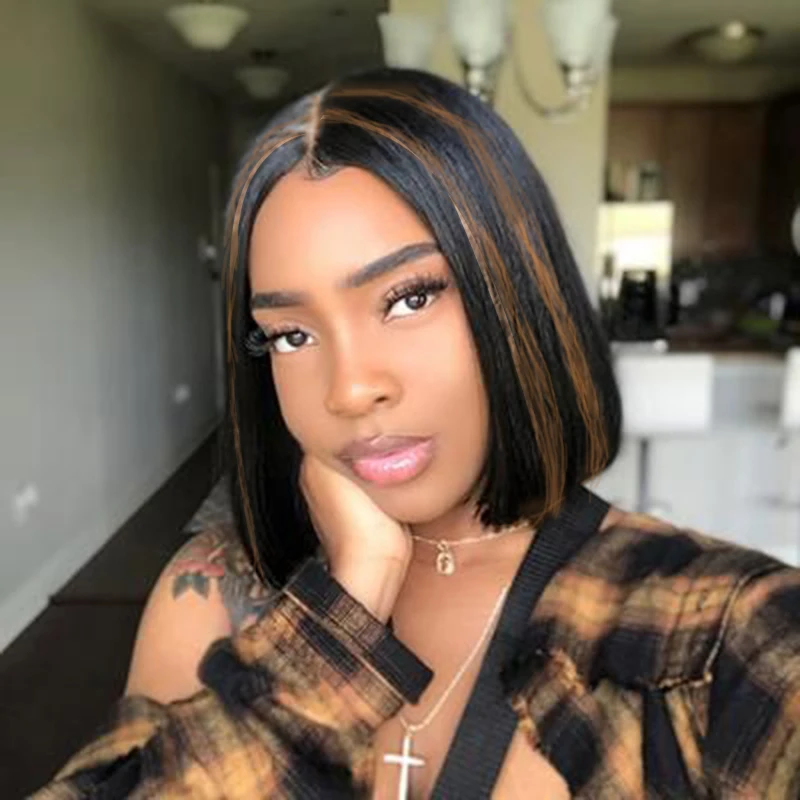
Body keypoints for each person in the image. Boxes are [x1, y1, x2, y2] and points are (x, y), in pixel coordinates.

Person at [34, 68, 800, 799]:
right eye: (292, 335)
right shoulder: (213, 593)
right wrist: (344, 609)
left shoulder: (726, 632)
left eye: (408, 298)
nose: (349, 388)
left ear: (517, 289)